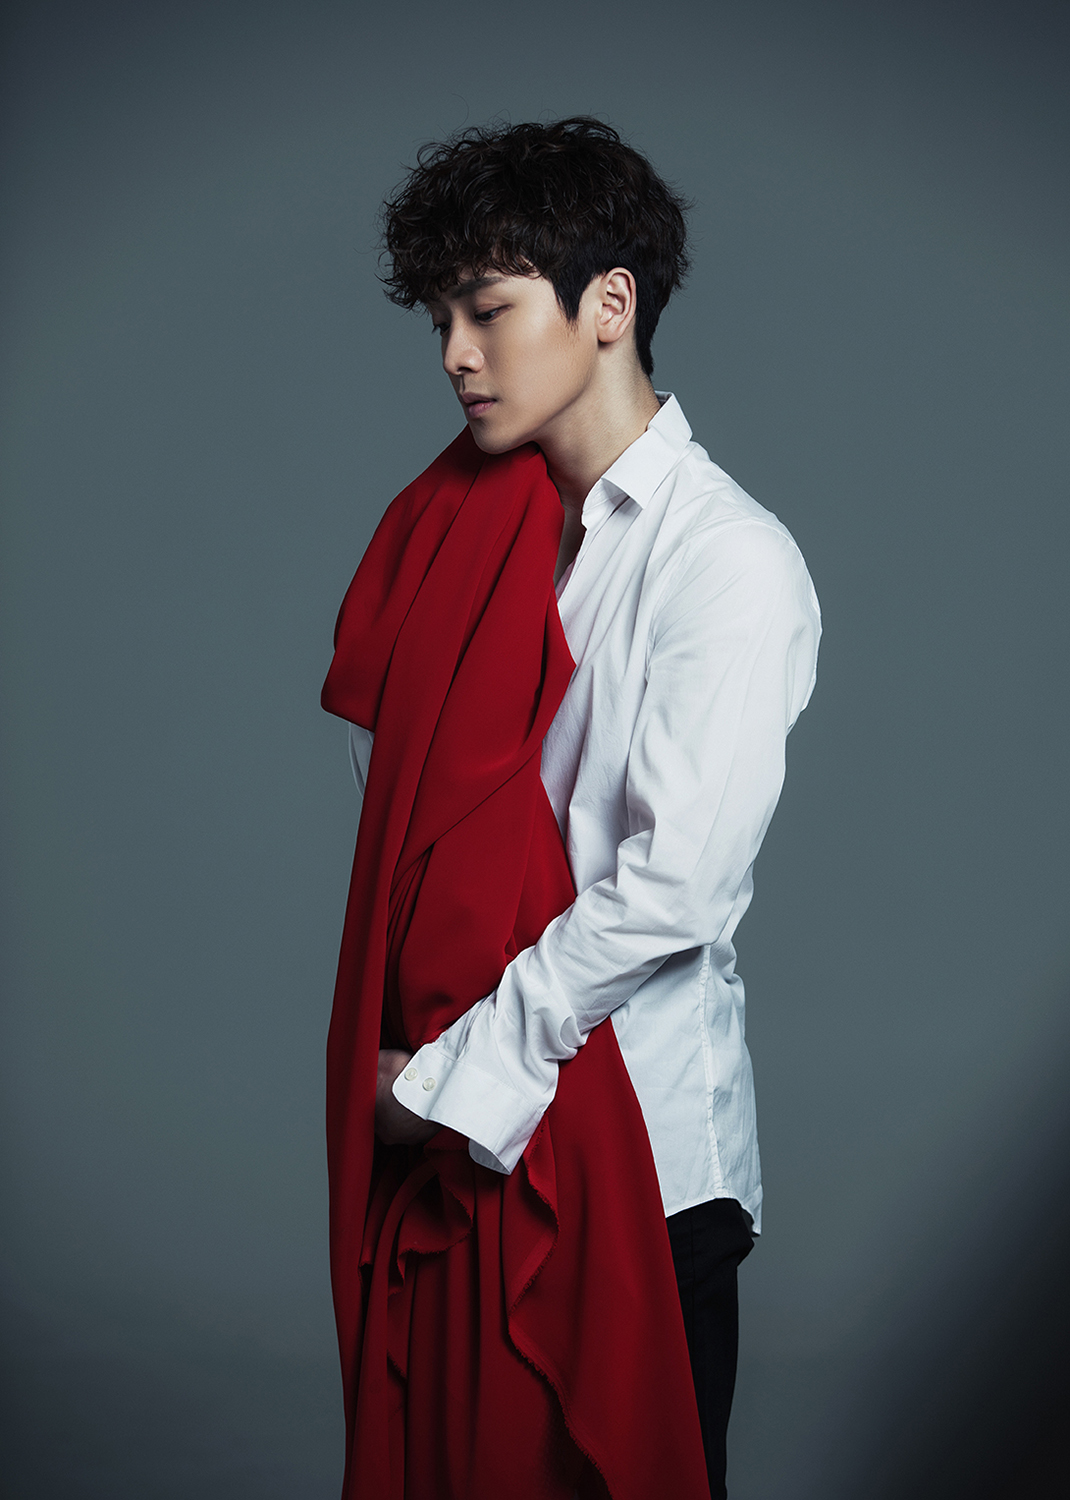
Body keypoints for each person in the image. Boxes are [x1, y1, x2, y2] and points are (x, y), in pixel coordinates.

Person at [321, 117, 821, 1500]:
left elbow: (673, 889)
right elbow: (415, 833)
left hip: (635, 1165)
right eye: (440, 320)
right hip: (460, 1144)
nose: (454, 355)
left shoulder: (726, 563)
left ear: (609, 306)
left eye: (486, 311)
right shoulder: (463, 537)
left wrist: (444, 1081)